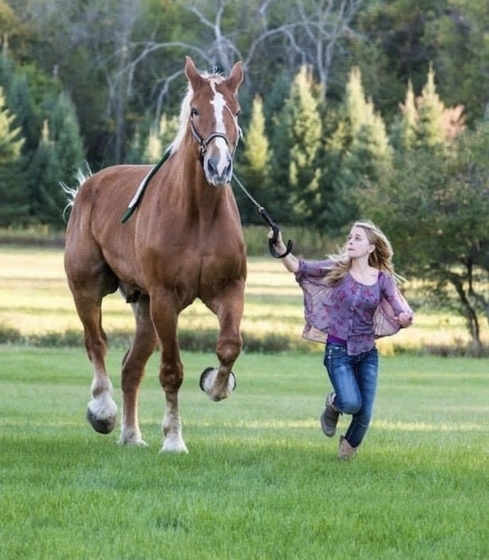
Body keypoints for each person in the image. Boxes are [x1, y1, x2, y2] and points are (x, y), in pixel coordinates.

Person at [268, 220, 414, 460]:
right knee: (350, 403)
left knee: (364, 414)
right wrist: (280, 245)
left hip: (367, 352)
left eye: (357, 238)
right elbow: (298, 267)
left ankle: (345, 456)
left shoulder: (383, 279)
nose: (351, 241)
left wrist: (405, 317)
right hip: (338, 351)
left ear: (370, 248)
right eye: (350, 237)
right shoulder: (337, 269)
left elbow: (399, 308)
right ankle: (334, 403)